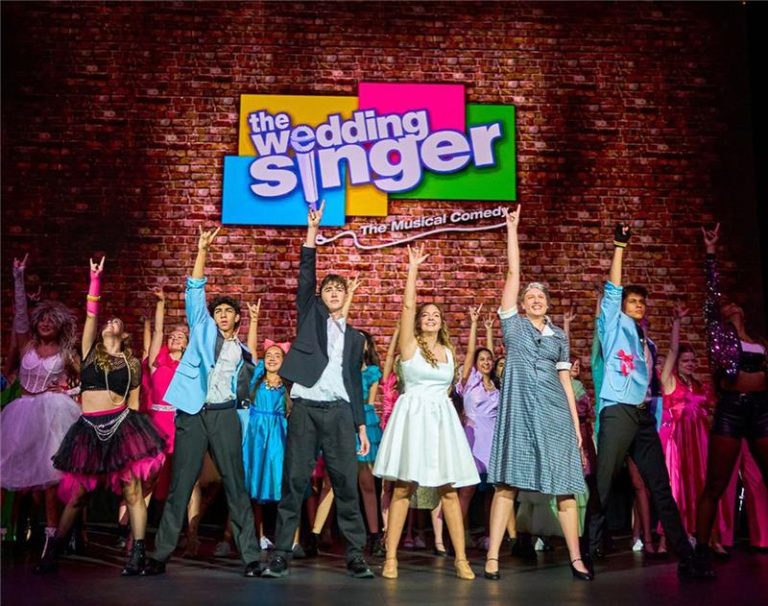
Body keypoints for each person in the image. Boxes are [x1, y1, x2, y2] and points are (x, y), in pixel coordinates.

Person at [584, 223, 708, 579]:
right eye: (633, 301)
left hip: (641, 417)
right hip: (616, 412)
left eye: (642, 302)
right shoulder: (612, 324)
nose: (638, 305)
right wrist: (619, 246)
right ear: (622, 306)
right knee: (604, 483)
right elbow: (612, 289)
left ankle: (686, 557)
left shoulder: (643, 339)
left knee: (660, 486)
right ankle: (587, 551)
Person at [142, 226, 262, 578]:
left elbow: (246, 393)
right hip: (194, 414)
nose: (222, 314)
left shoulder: (244, 352)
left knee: (236, 486)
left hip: (225, 417)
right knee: (181, 485)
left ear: (237, 318)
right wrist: (202, 250)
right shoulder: (202, 328)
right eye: (218, 310)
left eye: (228, 311)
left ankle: (251, 557)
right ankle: (160, 554)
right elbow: (195, 289)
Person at [262, 202, 373, 579]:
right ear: (322, 296)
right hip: (307, 408)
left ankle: (355, 554)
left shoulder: (355, 338)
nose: (334, 292)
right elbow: (306, 274)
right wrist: (312, 232)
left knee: (345, 484)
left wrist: (360, 425)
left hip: (340, 412)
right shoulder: (310, 317)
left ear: (346, 296)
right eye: (329, 288)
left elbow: (354, 383)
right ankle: (281, 552)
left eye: (339, 289)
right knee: (294, 481)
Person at [39, 257, 166, 575]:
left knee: (132, 491)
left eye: (116, 322)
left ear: (124, 335)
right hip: (89, 430)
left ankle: (137, 554)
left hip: (122, 427)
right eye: (108, 321)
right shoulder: (89, 353)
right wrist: (95, 280)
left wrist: (134, 438)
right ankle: (54, 551)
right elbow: (92, 315)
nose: (110, 323)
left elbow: (133, 403)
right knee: (78, 496)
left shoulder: (131, 363)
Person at [484, 206, 591, 581]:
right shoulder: (512, 326)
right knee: (506, 485)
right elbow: (513, 274)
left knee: (566, 488)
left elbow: (566, 384)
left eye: (540, 296)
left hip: (555, 415)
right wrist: (512, 230)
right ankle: (493, 557)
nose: (534, 299)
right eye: (529, 295)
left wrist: (575, 428)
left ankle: (576, 558)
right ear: (520, 302)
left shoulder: (558, 337)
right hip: (519, 414)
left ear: (548, 304)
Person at [373, 243, 479, 581]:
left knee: (448, 490)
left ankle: (460, 559)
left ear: (441, 323)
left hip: (441, 419)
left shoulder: (448, 351)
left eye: (436, 315)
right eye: (426, 315)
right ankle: (391, 557)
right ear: (419, 322)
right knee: (404, 486)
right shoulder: (409, 346)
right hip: (413, 416)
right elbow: (407, 306)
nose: (431, 317)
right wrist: (413, 269)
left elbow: (452, 386)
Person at [695, 223, 768, 576]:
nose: (732, 305)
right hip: (732, 409)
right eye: (726, 304)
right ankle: (700, 552)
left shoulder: (758, 341)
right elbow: (712, 295)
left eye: (735, 303)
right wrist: (710, 252)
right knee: (716, 483)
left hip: (761, 410)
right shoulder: (719, 335)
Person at [0, 255, 81, 562]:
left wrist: (69, 391)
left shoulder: (65, 352)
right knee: (6, 472)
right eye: (42, 320)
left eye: (51, 321)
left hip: (50, 412)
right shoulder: (27, 345)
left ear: (59, 325)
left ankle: (50, 541)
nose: (45, 324)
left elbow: (85, 379)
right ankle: (4, 537)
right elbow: (20, 315)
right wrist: (18, 277)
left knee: (48, 479)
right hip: (22, 411)